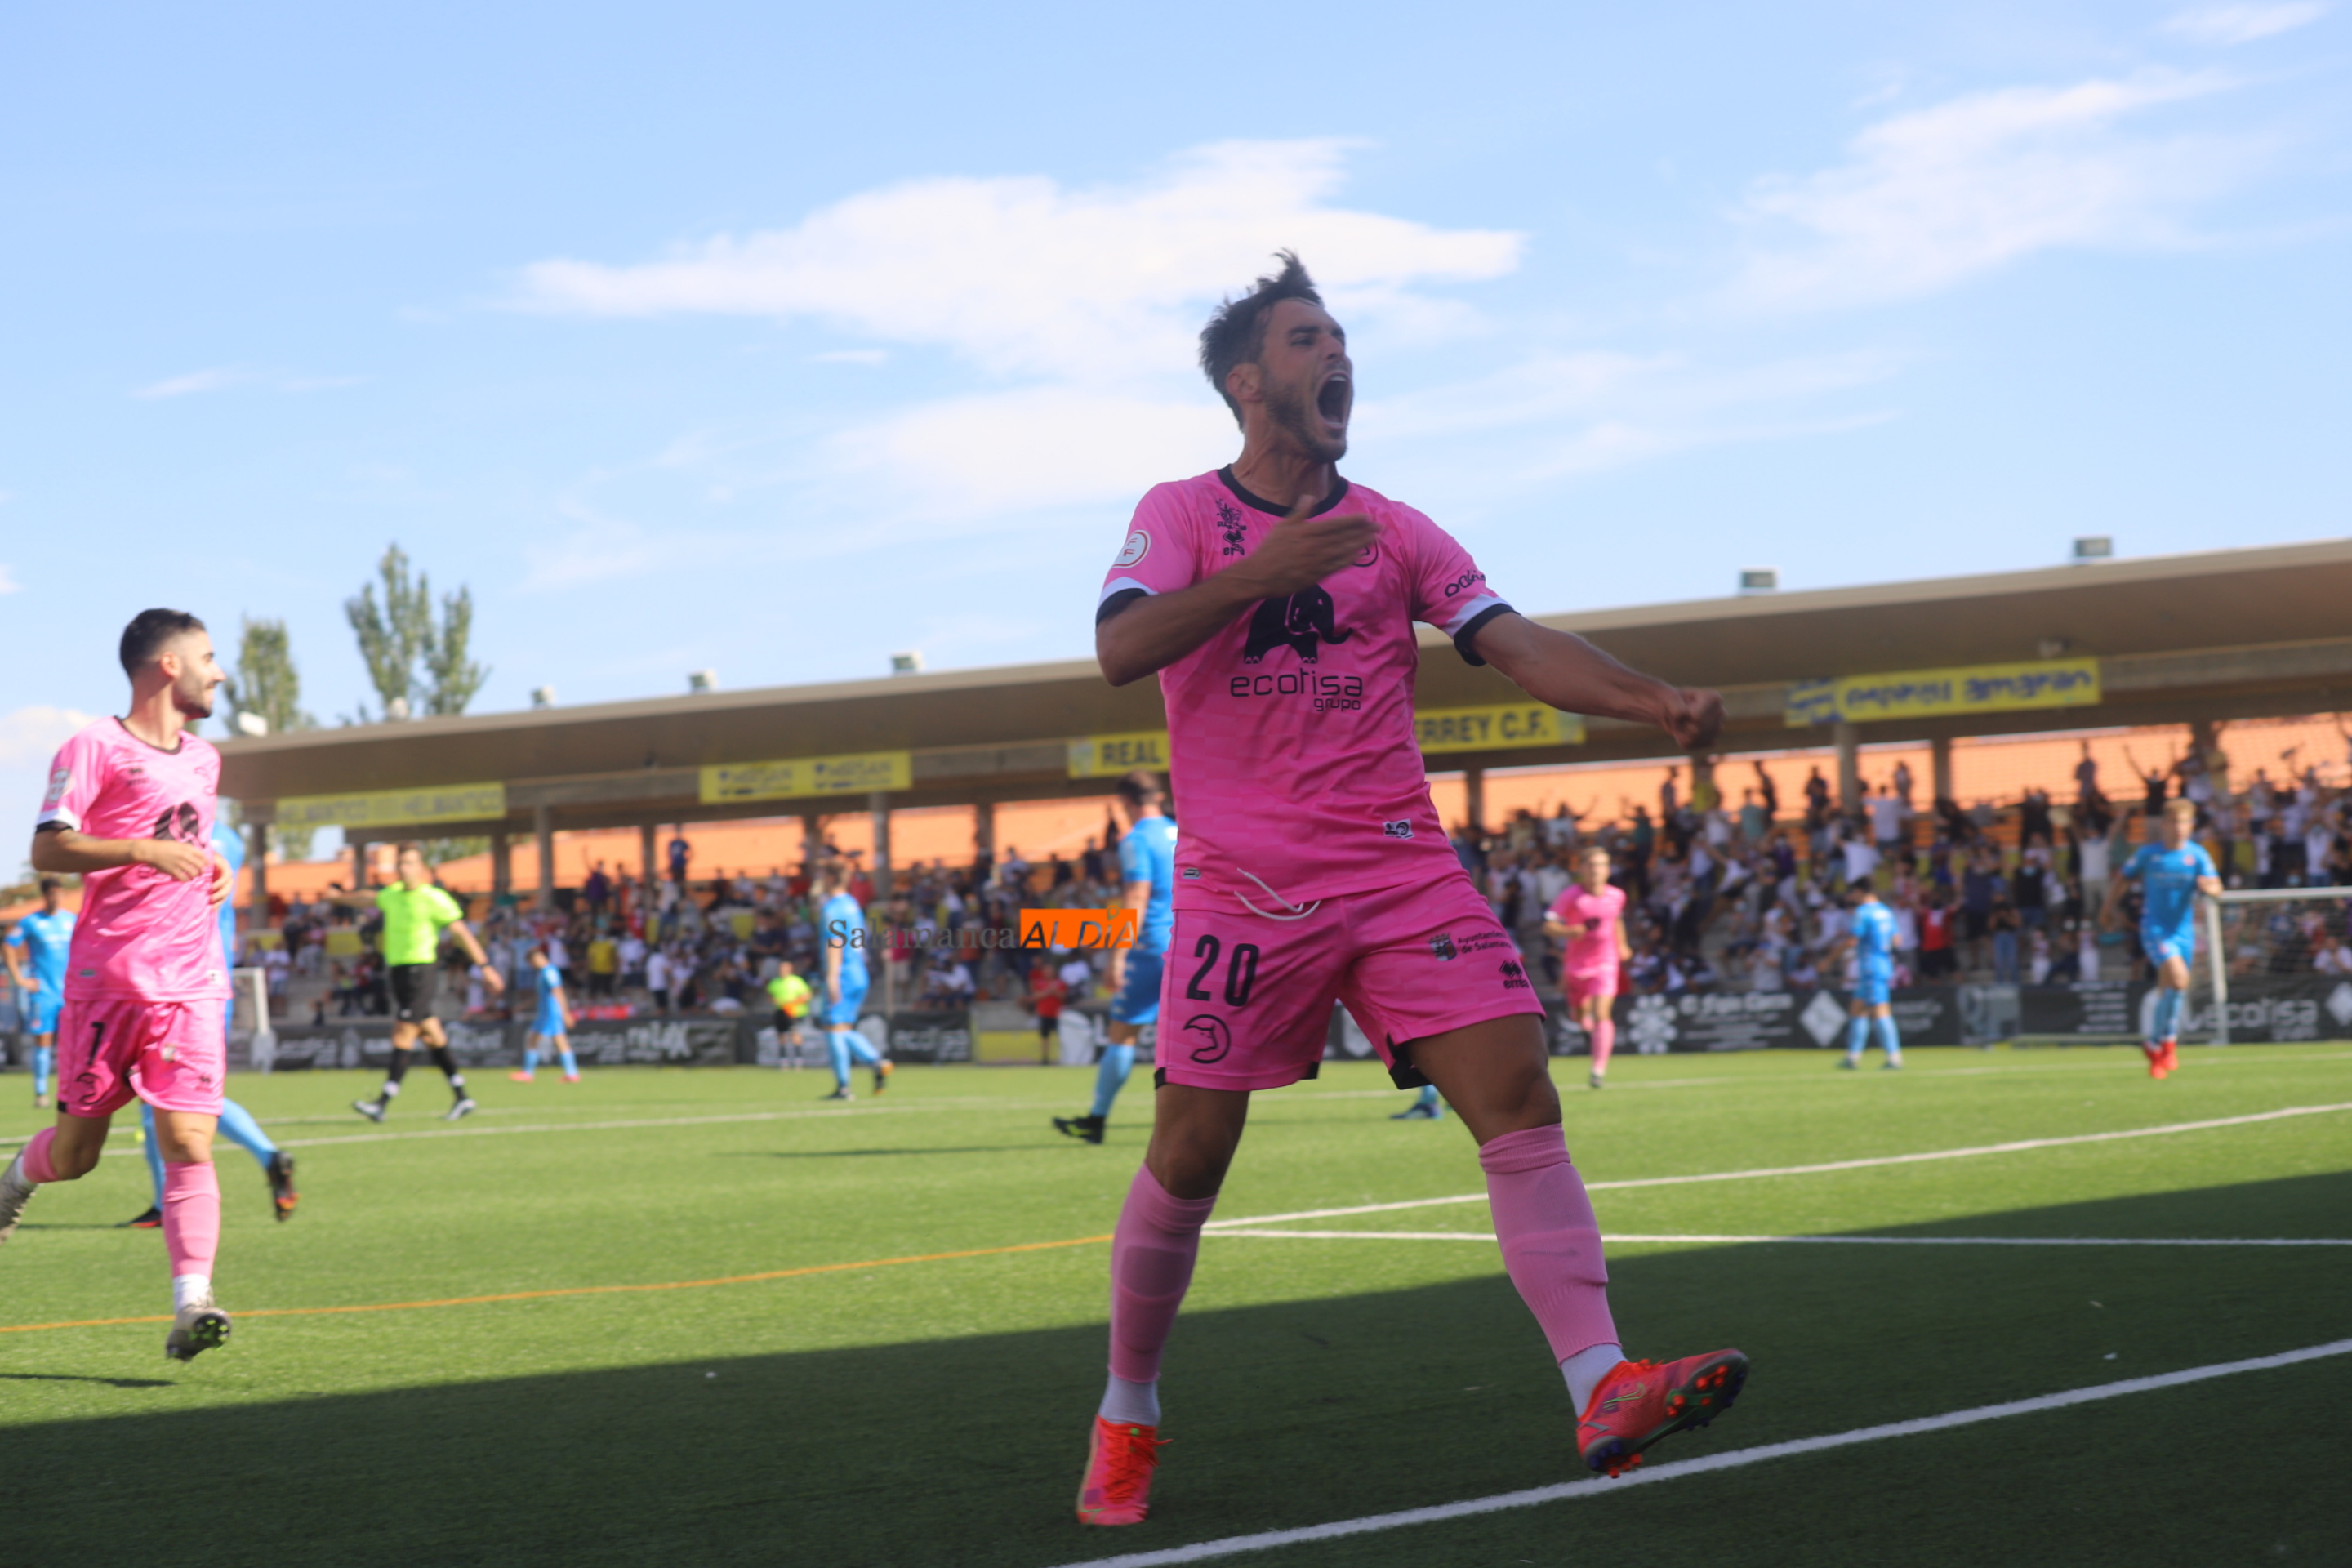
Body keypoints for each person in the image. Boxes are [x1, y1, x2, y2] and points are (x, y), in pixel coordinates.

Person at [1071, 254, 1745, 1527]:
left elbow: (1515, 642)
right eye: (1306, 338)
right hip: (1244, 888)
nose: (1337, 354)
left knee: (1519, 1090)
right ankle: (1128, 1408)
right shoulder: (1182, 511)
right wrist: (1268, 570)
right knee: (1192, 1154)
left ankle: (1601, 1383)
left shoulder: (1398, 528)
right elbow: (1119, 647)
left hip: (1400, 870)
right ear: (1246, 381)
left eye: (1342, 338)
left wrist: (1650, 698)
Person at [0, 608, 242, 1361]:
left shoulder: (205, 759)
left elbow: (188, 839)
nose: (219, 671)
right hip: (108, 982)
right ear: (169, 665)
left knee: (188, 1141)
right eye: (208, 656)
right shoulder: (93, 746)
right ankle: (13, 1181)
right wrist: (141, 850)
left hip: (192, 981)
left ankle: (193, 1303)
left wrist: (215, 865)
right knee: (77, 1157)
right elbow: (49, 847)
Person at [123, 818, 299, 1227]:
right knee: (184, 1095)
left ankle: (167, 1203)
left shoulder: (174, 834)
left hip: (177, 980)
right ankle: (269, 1157)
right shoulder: (229, 838)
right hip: (211, 979)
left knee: (162, 1096)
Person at [1056, 770, 1178, 1144]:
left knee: (1122, 1035)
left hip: (1152, 947)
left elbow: (1137, 897)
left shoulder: (1136, 840)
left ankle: (1096, 1120)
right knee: (1186, 1037)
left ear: (1125, 802)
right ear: (1159, 797)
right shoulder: (1181, 832)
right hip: (1189, 943)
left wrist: (1117, 956)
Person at [350, 844, 504, 1122]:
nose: (404, 868)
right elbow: (368, 898)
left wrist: (485, 967)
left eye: (409, 863)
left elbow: (461, 933)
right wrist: (339, 898)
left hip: (420, 971)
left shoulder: (434, 898)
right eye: (400, 863)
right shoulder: (392, 895)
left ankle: (382, 1102)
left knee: (403, 1032)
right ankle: (462, 1097)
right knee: (433, 1036)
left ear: (421, 868)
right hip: (398, 971)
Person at [2106, 798, 2221, 1079]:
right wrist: (2106, 909)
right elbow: (2123, 878)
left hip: (2184, 933)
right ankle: (2167, 1043)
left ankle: (2155, 1046)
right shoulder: (2149, 854)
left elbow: (2216, 884)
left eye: (2185, 822)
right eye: (2175, 822)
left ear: (2191, 825)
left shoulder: (2197, 855)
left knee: (2173, 990)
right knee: (2180, 980)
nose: (2180, 828)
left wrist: (2211, 888)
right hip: (2155, 929)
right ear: (2165, 825)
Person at [1543, 846, 1631, 1089]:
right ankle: (1584, 1024)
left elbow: (1617, 920)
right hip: (1576, 965)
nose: (1596, 870)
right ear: (1581, 869)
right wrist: (1568, 931)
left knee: (1602, 1012)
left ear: (1608, 870)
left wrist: (1622, 944)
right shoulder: (1571, 896)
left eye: (1601, 865)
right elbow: (1548, 926)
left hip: (1606, 962)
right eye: (1591, 865)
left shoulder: (1617, 895)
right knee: (1580, 1014)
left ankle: (1598, 1070)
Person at [816, 863, 889, 1100]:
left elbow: (836, 942)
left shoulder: (833, 908)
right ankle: (876, 1062)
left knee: (834, 1028)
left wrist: (832, 976)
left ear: (830, 878)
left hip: (843, 973)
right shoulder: (853, 905)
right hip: (859, 971)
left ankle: (844, 1087)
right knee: (844, 1028)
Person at [3, 876, 74, 1109]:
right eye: (52, 894)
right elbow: (9, 945)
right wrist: (19, 978)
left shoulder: (71, 920)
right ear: (45, 896)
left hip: (71, 993)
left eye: (59, 893)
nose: (56, 898)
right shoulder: (31, 922)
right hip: (43, 993)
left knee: (71, 1043)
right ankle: (41, 1092)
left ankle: (69, 1089)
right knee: (43, 1041)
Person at [1831, 884, 1903, 1070]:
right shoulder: (1886, 911)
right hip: (1882, 964)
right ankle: (1852, 1057)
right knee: (1857, 1009)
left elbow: (1852, 940)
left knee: (1880, 1012)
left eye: (1853, 892)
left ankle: (1894, 1058)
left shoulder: (1863, 912)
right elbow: (1897, 940)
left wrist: (1828, 959)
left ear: (1861, 892)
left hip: (1870, 966)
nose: (1852, 897)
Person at [509, 947, 577, 1082]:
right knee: (558, 1041)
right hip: (547, 1012)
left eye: (531, 961)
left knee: (534, 1039)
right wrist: (523, 1006)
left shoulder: (549, 972)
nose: (532, 965)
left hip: (550, 1013)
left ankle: (528, 1073)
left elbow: (558, 991)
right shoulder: (543, 973)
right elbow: (541, 995)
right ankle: (571, 1073)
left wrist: (566, 1013)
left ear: (536, 958)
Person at [766, 957, 813, 1068]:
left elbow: (807, 995)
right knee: (781, 1034)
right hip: (780, 1011)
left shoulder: (796, 981)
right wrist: (775, 1000)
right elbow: (770, 995)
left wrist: (792, 1003)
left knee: (794, 1033)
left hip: (794, 1012)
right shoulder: (775, 982)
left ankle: (798, 1058)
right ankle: (783, 1058)